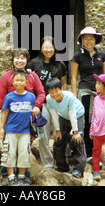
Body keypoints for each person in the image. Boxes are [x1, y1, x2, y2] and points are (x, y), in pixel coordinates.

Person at [0, 48, 44, 185]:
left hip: (26, 120)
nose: (19, 60)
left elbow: (41, 93)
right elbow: (0, 99)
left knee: (24, 149)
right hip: (11, 119)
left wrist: (36, 105)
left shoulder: (32, 76)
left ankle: (24, 176)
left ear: (27, 61)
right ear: (12, 59)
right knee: (9, 149)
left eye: (23, 58)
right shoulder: (6, 77)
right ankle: (8, 176)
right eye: (17, 57)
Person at [28, 36, 68, 168]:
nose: (48, 50)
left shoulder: (60, 64)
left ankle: (61, 163)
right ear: (40, 48)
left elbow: (64, 85)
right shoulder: (33, 64)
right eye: (45, 47)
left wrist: (64, 102)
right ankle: (48, 164)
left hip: (57, 103)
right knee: (43, 134)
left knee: (59, 132)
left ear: (55, 48)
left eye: (50, 47)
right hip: (42, 104)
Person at [70, 26, 105, 158]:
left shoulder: (102, 55)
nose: (88, 41)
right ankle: (85, 153)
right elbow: (74, 77)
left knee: (98, 120)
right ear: (81, 40)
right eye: (85, 39)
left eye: (91, 39)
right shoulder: (77, 56)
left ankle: (96, 152)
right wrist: (74, 96)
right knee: (85, 121)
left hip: (99, 93)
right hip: (85, 90)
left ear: (95, 40)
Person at [0, 71, 36, 186]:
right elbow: (5, 113)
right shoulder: (9, 96)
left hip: (25, 131)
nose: (19, 82)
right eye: (17, 80)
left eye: (22, 80)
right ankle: (11, 178)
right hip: (10, 130)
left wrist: (33, 132)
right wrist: (1, 128)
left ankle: (21, 177)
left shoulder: (31, 96)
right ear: (13, 82)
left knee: (24, 154)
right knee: (9, 153)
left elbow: (34, 116)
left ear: (26, 82)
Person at [45, 78, 86, 178]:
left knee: (78, 139)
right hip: (63, 116)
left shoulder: (69, 96)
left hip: (77, 114)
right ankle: (62, 166)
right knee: (58, 139)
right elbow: (54, 115)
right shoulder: (49, 99)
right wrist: (57, 130)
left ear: (61, 88)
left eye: (56, 91)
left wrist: (75, 131)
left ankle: (78, 169)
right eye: (51, 92)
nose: (54, 94)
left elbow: (72, 114)